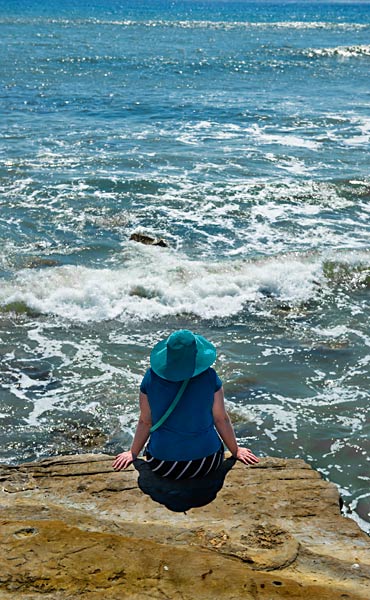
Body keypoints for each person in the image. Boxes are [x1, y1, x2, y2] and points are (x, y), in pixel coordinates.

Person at [113, 329, 258, 479]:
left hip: (163, 465)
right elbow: (221, 419)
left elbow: (145, 421)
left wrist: (133, 453)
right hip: (208, 461)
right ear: (195, 353)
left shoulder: (151, 378)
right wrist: (236, 451)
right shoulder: (210, 377)